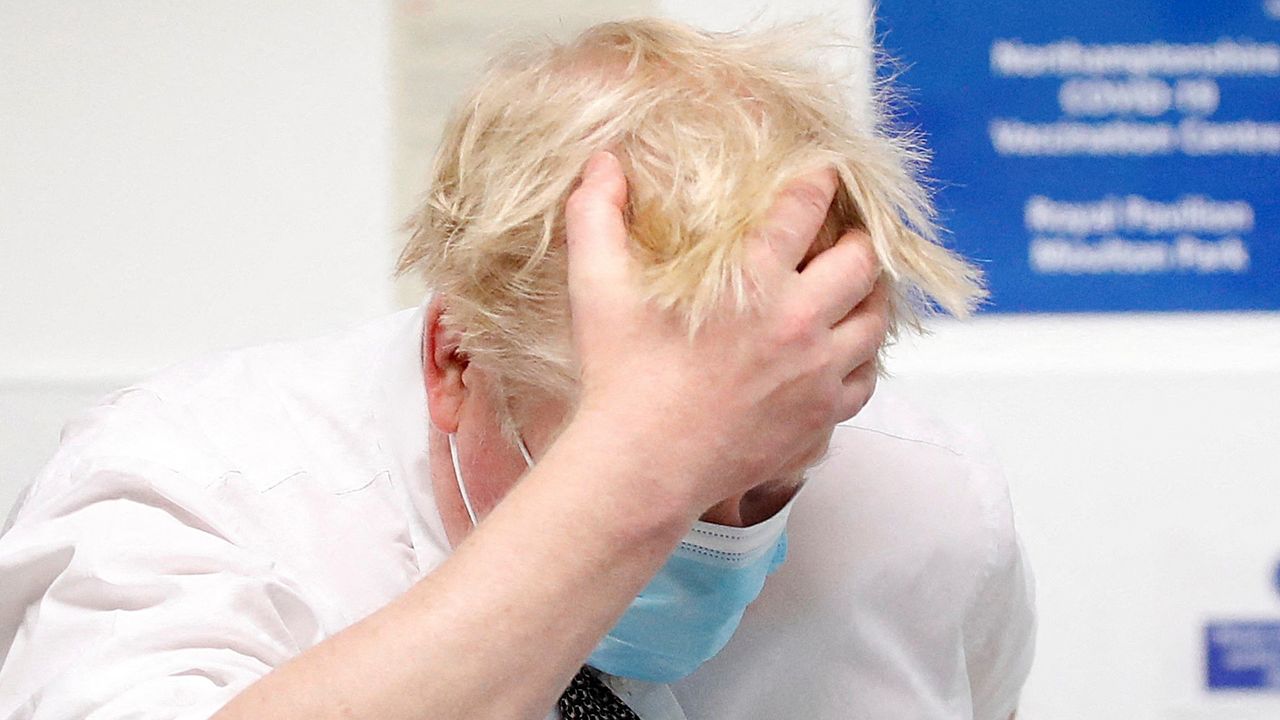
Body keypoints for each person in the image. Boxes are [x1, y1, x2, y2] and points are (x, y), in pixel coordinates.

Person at [0, 18, 1034, 720]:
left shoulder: (923, 507)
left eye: (762, 476)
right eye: (649, 451)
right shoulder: (189, 486)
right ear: (457, 356)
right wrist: (631, 482)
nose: (715, 542)